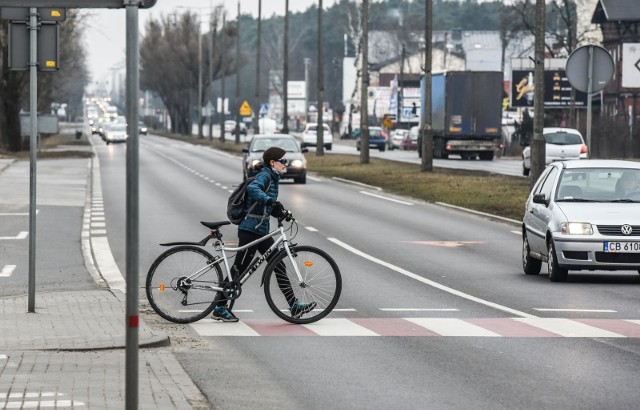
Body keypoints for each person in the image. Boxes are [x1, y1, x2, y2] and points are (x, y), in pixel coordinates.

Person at [212, 146, 317, 322]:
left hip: (261, 231)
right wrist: (270, 201)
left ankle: (293, 305)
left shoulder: (273, 177)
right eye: (283, 161)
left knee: (279, 265)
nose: (286, 164)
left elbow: (266, 205)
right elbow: (254, 189)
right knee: (239, 269)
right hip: (250, 230)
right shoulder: (265, 175)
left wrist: (280, 211)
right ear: (272, 162)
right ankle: (220, 307)